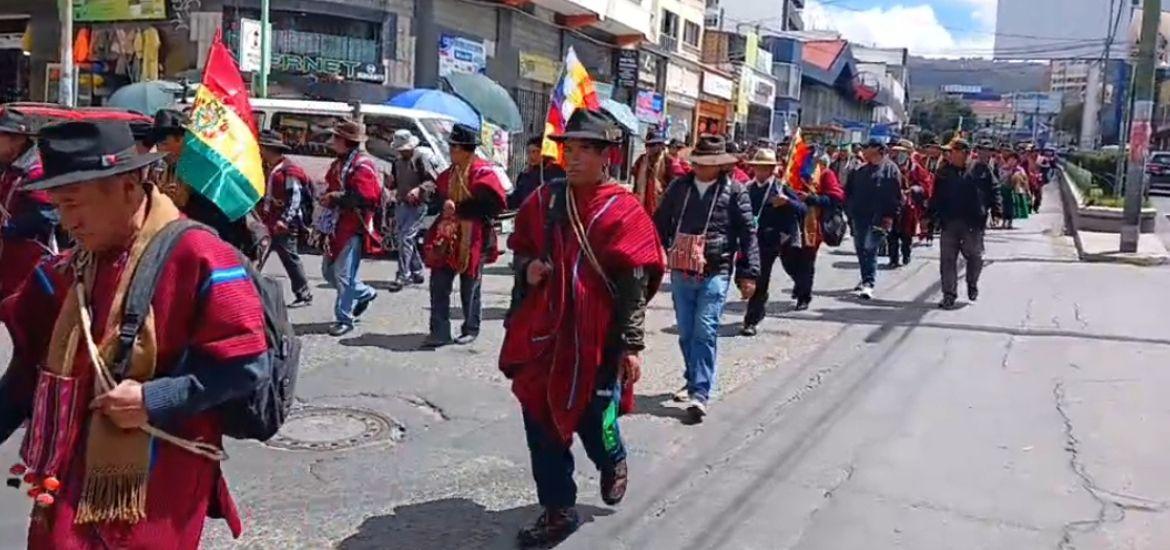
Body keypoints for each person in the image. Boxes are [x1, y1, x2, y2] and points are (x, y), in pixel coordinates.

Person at [0, 120, 268, 548]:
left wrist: (152, 399)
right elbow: (27, 372)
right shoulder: (61, 273)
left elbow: (247, 366)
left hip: (158, 486)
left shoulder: (201, 257)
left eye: (75, 204)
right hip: (68, 475)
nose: (67, 222)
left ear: (128, 187)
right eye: (59, 206)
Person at [502, 109, 664, 548]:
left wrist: (631, 346)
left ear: (605, 156)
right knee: (540, 420)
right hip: (545, 335)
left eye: (584, 150)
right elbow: (520, 251)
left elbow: (634, 284)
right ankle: (558, 509)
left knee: (596, 419)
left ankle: (613, 458)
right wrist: (528, 268)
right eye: (568, 149)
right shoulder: (543, 201)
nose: (572, 158)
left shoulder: (624, 211)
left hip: (597, 339)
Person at [654, 135, 759, 422]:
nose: (700, 167)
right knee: (686, 331)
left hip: (716, 269)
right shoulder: (679, 188)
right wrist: (656, 253)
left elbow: (748, 235)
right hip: (681, 269)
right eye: (698, 161)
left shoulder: (735, 191)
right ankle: (693, 377)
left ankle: (700, 392)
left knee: (705, 329)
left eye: (708, 162)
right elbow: (660, 223)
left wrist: (749, 273)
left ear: (720, 165)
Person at [423, 123, 507, 348]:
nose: (451, 151)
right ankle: (439, 331)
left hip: (474, 237)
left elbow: (491, 206)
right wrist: (440, 203)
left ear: (466, 150)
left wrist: (458, 209)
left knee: (470, 286)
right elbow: (437, 198)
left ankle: (470, 328)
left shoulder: (483, 173)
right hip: (447, 236)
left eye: (455, 147)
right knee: (438, 283)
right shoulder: (448, 174)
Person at [149, 109, 269, 262]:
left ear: (182, 139)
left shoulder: (207, 170)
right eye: (158, 145)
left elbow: (221, 216)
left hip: (221, 248)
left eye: (164, 144)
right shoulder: (172, 167)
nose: (160, 150)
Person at [320, 120, 383, 336]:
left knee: (343, 275)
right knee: (328, 272)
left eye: (335, 138)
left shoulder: (362, 166)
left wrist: (335, 197)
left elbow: (366, 196)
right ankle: (365, 293)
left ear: (345, 141)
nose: (332, 141)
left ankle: (344, 318)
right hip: (335, 225)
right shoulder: (340, 163)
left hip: (353, 226)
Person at [740, 148, 804, 336]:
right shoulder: (746, 188)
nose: (761, 171)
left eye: (765, 168)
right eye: (758, 167)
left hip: (771, 241)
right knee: (745, 277)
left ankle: (751, 320)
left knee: (760, 278)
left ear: (771, 169)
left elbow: (803, 209)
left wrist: (787, 202)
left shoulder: (780, 188)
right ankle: (759, 306)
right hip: (748, 240)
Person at [929, 139, 997, 309]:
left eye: (952, 151)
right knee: (947, 260)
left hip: (973, 223)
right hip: (949, 222)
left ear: (963, 153)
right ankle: (949, 294)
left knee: (975, 257)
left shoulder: (981, 169)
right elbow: (936, 196)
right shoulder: (944, 172)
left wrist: (997, 210)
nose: (948, 155)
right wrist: (929, 217)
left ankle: (972, 283)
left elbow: (994, 190)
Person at [0, 108, 56, 302]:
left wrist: (7, 227)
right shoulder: (11, 169)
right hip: (10, 264)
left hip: (31, 268)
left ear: (17, 139)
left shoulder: (36, 173)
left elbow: (44, 218)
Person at [258, 129, 313, 307]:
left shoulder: (289, 171)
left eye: (262, 147)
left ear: (269, 149)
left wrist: (285, 220)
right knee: (257, 256)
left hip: (284, 224)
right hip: (267, 221)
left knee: (290, 259)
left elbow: (295, 198)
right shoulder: (268, 168)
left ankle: (304, 294)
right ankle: (247, 289)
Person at [786, 152, 846, 310]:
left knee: (806, 260)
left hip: (812, 224)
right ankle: (800, 283)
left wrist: (811, 199)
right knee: (788, 258)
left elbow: (835, 199)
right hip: (791, 222)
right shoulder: (793, 173)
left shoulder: (826, 174)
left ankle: (804, 296)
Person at [844, 139, 901, 300]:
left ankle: (868, 283)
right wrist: (849, 211)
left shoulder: (890, 169)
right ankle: (865, 278)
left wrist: (890, 216)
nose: (863, 151)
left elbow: (896, 196)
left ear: (877, 149)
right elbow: (848, 192)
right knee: (861, 249)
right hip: (859, 216)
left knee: (870, 248)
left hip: (880, 217)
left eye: (867, 148)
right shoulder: (859, 170)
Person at [386, 129, 442, 292]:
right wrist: (389, 183)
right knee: (405, 238)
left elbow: (432, 181)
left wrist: (419, 189)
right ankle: (416, 271)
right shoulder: (397, 162)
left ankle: (403, 275)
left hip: (418, 205)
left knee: (405, 237)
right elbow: (394, 183)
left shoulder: (420, 159)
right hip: (402, 204)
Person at [888, 140, 931, 267]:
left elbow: (925, 185)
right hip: (891, 203)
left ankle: (906, 254)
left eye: (902, 151)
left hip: (908, 205)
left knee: (906, 233)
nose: (898, 154)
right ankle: (893, 258)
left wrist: (913, 190)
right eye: (896, 151)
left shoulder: (915, 168)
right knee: (891, 233)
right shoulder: (888, 166)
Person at [511, 136, 565, 211]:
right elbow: (517, 197)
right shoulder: (524, 175)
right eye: (529, 152)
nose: (531, 156)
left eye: (536, 151)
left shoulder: (555, 172)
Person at [629, 130, 675, 213]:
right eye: (647, 145)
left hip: (660, 206)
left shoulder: (668, 161)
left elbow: (673, 184)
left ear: (660, 145)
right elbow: (635, 180)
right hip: (642, 204)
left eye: (652, 145)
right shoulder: (641, 160)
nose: (648, 148)